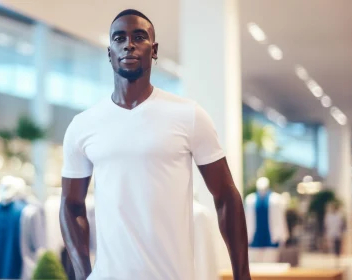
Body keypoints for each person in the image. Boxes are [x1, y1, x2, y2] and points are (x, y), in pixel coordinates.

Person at [59, 9, 251, 280]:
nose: (129, 44)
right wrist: (82, 275)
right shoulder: (83, 125)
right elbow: (71, 204)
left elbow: (226, 197)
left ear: (154, 49)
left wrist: (242, 276)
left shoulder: (189, 115)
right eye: (119, 38)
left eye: (139, 37)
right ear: (109, 52)